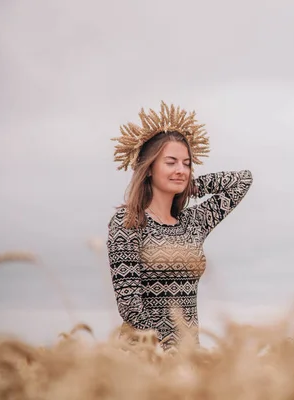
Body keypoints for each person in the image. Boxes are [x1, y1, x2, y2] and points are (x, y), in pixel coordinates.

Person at [106, 101, 253, 349]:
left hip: (188, 356)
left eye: (186, 164)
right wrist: (162, 350)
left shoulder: (194, 222)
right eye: (171, 162)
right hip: (143, 357)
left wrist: (191, 186)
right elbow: (129, 305)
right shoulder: (127, 223)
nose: (180, 170)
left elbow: (243, 180)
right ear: (150, 168)